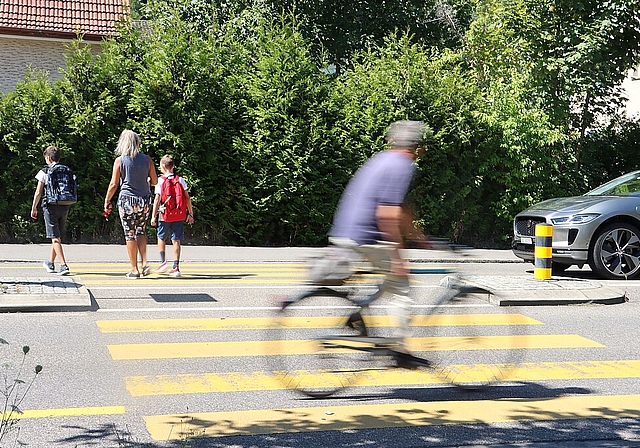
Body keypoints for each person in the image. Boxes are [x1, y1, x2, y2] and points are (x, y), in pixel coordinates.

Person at [329, 120, 430, 347]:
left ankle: (357, 313)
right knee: (401, 284)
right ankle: (400, 348)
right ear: (414, 146)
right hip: (366, 235)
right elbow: (387, 214)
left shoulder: (381, 160)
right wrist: (397, 256)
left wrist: (421, 238)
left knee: (388, 279)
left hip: (346, 230)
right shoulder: (401, 164)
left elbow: (401, 211)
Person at [104, 130, 158, 279]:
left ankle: (134, 269)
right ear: (137, 143)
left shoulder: (119, 160)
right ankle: (144, 262)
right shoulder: (147, 160)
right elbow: (154, 181)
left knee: (130, 234)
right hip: (144, 201)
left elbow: (114, 184)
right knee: (141, 231)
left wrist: (107, 200)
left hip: (127, 201)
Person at [150, 154, 194, 277]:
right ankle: (176, 267)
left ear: (162, 166)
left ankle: (163, 262)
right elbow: (187, 198)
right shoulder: (180, 180)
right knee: (176, 239)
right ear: (173, 166)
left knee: (161, 237)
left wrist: (153, 216)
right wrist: (190, 213)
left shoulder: (160, 181)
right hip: (179, 214)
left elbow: (157, 199)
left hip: (164, 214)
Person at [30, 145, 72, 276]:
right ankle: (50, 262)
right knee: (57, 236)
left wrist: (34, 207)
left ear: (48, 157)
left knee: (54, 237)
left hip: (50, 206)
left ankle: (63, 265)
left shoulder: (45, 171)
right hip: (65, 204)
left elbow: (38, 192)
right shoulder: (66, 170)